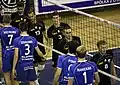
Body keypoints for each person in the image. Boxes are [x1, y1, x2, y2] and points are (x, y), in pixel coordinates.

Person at [27, 8, 47, 85]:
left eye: (32, 16)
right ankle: (35, 80)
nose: (31, 18)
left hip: (41, 46)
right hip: (33, 47)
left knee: (42, 63)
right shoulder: (28, 25)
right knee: (34, 63)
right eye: (29, 17)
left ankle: (37, 73)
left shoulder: (40, 22)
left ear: (34, 15)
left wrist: (47, 42)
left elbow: (44, 32)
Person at [0, 15, 20, 85]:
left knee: (7, 77)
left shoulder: (1, 31)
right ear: (11, 21)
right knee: (15, 77)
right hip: (15, 54)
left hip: (6, 55)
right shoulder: (16, 30)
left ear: (3, 21)